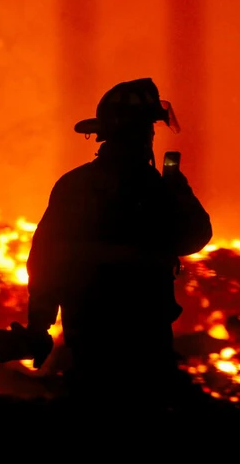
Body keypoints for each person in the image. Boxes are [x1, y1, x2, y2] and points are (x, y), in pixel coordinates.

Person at [24, 78, 212, 408]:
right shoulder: (153, 189)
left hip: (91, 333)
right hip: (140, 335)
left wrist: (39, 326)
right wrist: (178, 190)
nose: (151, 135)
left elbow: (45, 262)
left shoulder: (76, 185)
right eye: (147, 127)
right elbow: (195, 237)